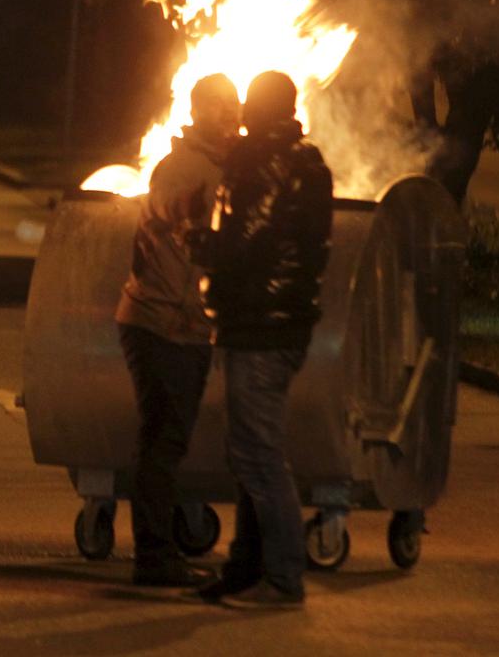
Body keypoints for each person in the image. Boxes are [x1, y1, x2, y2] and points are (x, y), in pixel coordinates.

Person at [192, 71, 333, 609]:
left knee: (258, 457)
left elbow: (248, 237)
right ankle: (245, 568)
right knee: (248, 452)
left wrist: (197, 240)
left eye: (249, 101)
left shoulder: (263, 160)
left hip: (259, 324)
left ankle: (282, 578)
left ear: (260, 106)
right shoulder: (305, 161)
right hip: (278, 324)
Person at [115, 74, 240, 587]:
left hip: (177, 324)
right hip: (164, 323)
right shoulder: (188, 170)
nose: (230, 117)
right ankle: (154, 558)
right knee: (163, 445)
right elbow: (191, 239)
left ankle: (158, 551)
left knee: (164, 442)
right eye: (219, 108)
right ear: (197, 110)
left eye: (233, 108)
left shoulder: (209, 166)